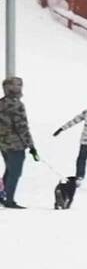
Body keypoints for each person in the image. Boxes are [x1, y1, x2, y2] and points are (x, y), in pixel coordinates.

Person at [0, 77, 38, 209]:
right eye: (19, 85)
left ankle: (2, 195)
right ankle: (9, 200)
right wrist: (31, 146)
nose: (21, 88)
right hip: (15, 144)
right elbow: (22, 127)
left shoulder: (1, 102)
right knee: (15, 172)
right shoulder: (17, 105)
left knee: (9, 171)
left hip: (3, 143)